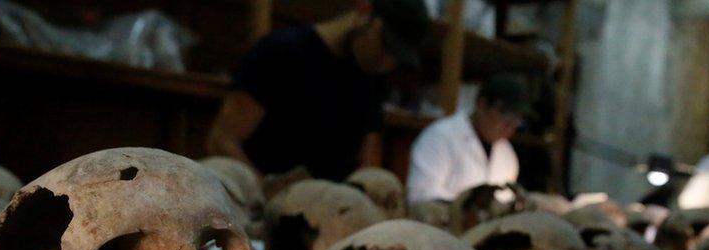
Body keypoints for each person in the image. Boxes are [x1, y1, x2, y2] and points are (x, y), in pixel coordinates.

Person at [206, 0, 429, 182]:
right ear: (364, 10)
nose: (387, 62)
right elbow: (222, 141)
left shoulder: (371, 78)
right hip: (258, 209)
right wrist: (266, 195)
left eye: (396, 57)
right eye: (385, 44)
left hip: (328, 216)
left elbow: (367, 162)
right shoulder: (281, 53)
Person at [406, 74, 530, 204]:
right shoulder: (440, 136)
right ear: (482, 105)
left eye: (517, 120)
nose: (510, 126)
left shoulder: (508, 155)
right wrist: (468, 209)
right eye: (506, 116)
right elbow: (421, 196)